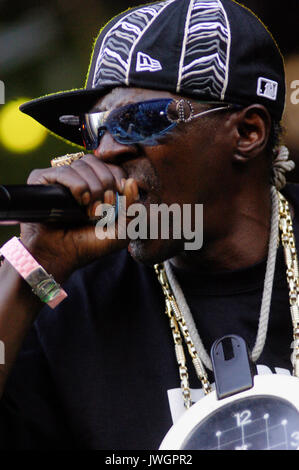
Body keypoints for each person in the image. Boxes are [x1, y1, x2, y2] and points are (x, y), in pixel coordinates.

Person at [0, 0, 298, 450]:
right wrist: (31, 268)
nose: (106, 152)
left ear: (247, 133)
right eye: (94, 130)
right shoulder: (64, 299)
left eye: (140, 121)